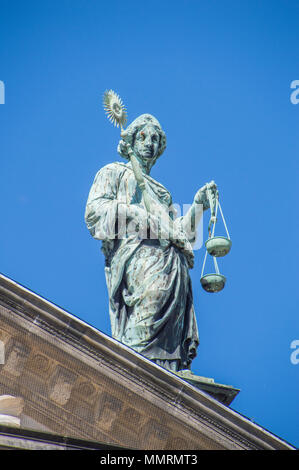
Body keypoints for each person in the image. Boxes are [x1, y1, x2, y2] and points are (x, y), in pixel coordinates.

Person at [85, 114, 217, 372]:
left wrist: (199, 204)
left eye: (155, 139)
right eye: (143, 137)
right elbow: (94, 212)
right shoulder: (113, 172)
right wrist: (136, 214)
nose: (149, 143)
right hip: (140, 257)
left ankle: (167, 377)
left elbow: (179, 233)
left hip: (173, 264)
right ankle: (133, 377)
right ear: (131, 141)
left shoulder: (161, 192)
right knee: (150, 305)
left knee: (170, 327)